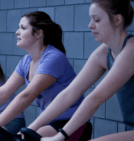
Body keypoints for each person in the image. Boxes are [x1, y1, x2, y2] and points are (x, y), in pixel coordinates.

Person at [0, 12, 91, 139]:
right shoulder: (26, 61)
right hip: (49, 122)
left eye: (23, 28)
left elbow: (27, 95)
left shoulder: (53, 58)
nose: (17, 32)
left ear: (38, 33)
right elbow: (3, 92)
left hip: (73, 122)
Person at [25, 1, 134, 141]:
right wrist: (30, 129)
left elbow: (96, 98)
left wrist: (61, 136)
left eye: (97, 20)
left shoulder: (131, 50)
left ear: (118, 20)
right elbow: (69, 93)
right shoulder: (103, 53)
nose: (90, 25)